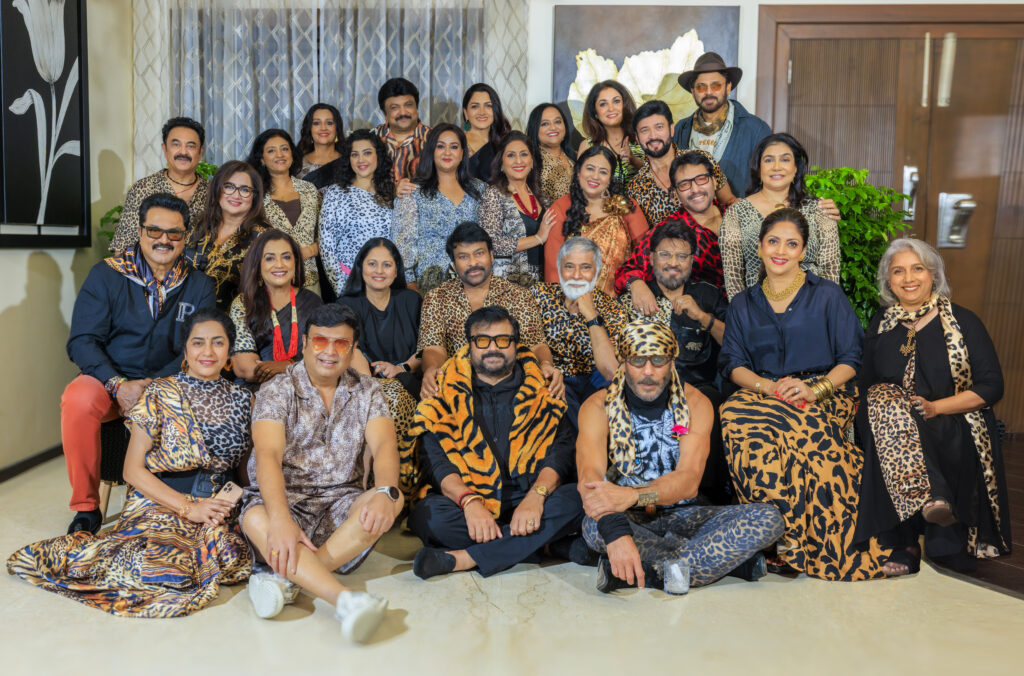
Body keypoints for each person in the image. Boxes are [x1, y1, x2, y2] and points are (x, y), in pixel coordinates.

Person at [8, 309, 253, 616]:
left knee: (233, 558)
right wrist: (189, 508)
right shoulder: (160, 393)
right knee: (158, 567)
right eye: (198, 342)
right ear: (185, 350)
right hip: (161, 502)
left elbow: (244, 470)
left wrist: (236, 504)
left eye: (218, 343)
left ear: (229, 352)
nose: (208, 351)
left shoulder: (244, 399)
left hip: (216, 505)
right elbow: (131, 470)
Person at [719, 208, 901, 580]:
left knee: (801, 429)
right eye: (773, 241)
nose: (780, 251)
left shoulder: (827, 295)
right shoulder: (742, 304)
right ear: (759, 246)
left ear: (803, 251)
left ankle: (801, 544)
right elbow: (733, 364)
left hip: (824, 392)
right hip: (762, 393)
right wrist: (769, 387)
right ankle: (777, 538)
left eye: (792, 244)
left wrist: (814, 389)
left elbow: (851, 359)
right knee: (735, 417)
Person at [576, 320, 784, 593]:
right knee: (593, 527)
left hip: (686, 514)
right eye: (637, 360)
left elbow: (688, 481)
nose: (648, 371)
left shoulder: (695, 402)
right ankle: (718, 564)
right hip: (629, 518)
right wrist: (616, 532)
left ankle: (648, 573)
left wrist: (633, 495)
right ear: (624, 362)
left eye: (658, 360)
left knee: (768, 519)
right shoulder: (596, 406)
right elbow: (589, 480)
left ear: (672, 361)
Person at [239, 303, 404, 643]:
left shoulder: (368, 390)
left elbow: (385, 445)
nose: (329, 351)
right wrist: (281, 519)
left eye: (341, 343)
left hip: (341, 504)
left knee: (391, 497)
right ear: (304, 343)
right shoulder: (276, 390)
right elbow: (268, 455)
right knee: (255, 518)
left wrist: (385, 490)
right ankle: (345, 600)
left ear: (353, 350)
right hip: (284, 501)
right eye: (320, 341)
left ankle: (288, 580)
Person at [60, 193, 216, 535]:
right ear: (141, 231)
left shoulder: (200, 285)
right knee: (78, 399)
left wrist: (152, 386)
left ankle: (169, 508)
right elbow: (82, 341)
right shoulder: (106, 275)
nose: (164, 240)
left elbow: (198, 347)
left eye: (174, 233)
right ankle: (86, 508)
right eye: (154, 231)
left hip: (169, 385)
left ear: (186, 236)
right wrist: (117, 384)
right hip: (108, 380)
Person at [854, 238, 1010, 574]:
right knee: (883, 402)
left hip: (951, 418)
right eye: (898, 271)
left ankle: (912, 543)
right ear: (888, 280)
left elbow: (991, 386)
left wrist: (937, 407)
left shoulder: (963, 321)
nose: (908, 278)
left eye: (918, 269)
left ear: (933, 275)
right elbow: (866, 383)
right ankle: (929, 503)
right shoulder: (882, 323)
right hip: (891, 422)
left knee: (906, 424)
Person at [408, 306, 586, 579]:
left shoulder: (544, 388)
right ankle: (545, 544)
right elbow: (436, 461)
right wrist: (469, 503)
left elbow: (560, 452)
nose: (493, 348)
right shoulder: (444, 391)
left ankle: (466, 558)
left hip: (529, 495)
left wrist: (536, 497)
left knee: (578, 498)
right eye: (482, 340)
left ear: (515, 345)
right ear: (470, 345)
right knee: (428, 516)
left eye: (503, 340)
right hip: (471, 499)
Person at [620, 222, 730, 504]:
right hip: (647, 391)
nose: (673, 263)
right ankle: (637, 495)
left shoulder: (708, 295)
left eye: (682, 256)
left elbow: (734, 343)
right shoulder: (636, 297)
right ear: (652, 258)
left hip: (698, 389)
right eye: (665, 255)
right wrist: (635, 284)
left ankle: (705, 497)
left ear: (692, 260)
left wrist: (703, 318)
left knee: (712, 402)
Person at [417, 222, 563, 401]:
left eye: (479, 253)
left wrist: (546, 364)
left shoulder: (518, 295)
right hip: (458, 389)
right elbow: (433, 347)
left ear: (492, 256)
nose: (473, 263)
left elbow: (537, 344)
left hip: (512, 388)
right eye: (463, 257)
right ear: (454, 264)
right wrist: (432, 370)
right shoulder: (437, 297)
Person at [336, 239, 423, 498]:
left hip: (409, 379)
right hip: (364, 384)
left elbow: (428, 346)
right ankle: (366, 487)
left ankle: (392, 489)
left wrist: (401, 367)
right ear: (360, 267)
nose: (379, 271)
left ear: (396, 271)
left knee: (393, 397)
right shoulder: (346, 304)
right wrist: (372, 387)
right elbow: (349, 349)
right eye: (372, 264)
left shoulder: (411, 300)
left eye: (387, 265)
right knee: (379, 401)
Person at [720, 133, 840, 300]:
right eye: (769, 160)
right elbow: (733, 277)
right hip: (756, 306)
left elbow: (830, 270)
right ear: (758, 168)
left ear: (796, 167)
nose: (776, 167)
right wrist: (744, 312)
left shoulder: (819, 210)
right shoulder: (736, 213)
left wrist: (821, 308)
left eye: (785, 159)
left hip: (811, 305)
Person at [532, 237, 628, 427]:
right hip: (554, 378)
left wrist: (592, 316)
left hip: (594, 382)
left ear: (597, 271)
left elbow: (611, 371)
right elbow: (532, 343)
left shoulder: (613, 309)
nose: (576, 275)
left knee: (612, 391)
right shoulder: (539, 294)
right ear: (559, 268)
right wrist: (548, 367)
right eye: (569, 267)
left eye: (585, 267)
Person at [616, 151, 727, 309]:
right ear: (675, 194)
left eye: (701, 179)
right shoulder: (669, 230)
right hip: (704, 313)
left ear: (715, 182)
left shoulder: (734, 213)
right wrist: (636, 284)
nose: (695, 189)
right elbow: (627, 270)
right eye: (684, 184)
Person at [392, 123, 484, 292]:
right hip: (429, 286)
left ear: (462, 153)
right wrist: (412, 288)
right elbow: (402, 246)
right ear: (431, 151)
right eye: (440, 146)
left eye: (454, 147)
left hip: (475, 283)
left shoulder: (479, 190)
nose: (447, 152)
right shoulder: (413, 192)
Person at [544, 146, 648, 295]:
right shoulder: (560, 208)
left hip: (621, 298)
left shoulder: (625, 206)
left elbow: (643, 256)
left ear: (610, 178)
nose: (595, 176)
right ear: (578, 172)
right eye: (590, 169)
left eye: (603, 172)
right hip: (574, 298)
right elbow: (554, 269)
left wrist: (636, 285)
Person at [230, 230, 323, 386]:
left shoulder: (313, 302)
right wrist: (297, 368)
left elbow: (323, 359)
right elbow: (246, 369)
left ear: (295, 262)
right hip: (257, 390)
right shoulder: (244, 303)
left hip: (307, 388)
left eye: (286, 257)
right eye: (269, 258)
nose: (279, 264)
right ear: (257, 264)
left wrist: (286, 366)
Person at [671, 52, 771, 198]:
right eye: (701, 87)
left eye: (716, 86)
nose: (708, 92)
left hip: (740, 212)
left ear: (728, 87)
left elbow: (770, 184)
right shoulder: (680, 129)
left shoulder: (756, 130)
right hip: (691, 212)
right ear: (693, 91)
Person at [626, 100, 732, 227]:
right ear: (637, 138)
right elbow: (644, 234)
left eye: (659, 127)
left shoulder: (701, 160)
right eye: (644, 130)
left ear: (671, 129)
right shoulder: (635, 187)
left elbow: (729, 201)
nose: (653, 136)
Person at [110, 117, 209, 252]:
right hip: (149, 266)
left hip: (201, 266)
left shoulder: (212, 192)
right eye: (176, 144)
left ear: (200, 152)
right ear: (164, 148)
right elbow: (123, 248)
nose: (183, 152)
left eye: (191, 146)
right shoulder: (143, 189)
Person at [319, 129, 396, 295]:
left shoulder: (391, 193)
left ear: (378, 156)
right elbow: (327, 248)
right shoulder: (336, 193)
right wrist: (343, 290)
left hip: (386, 284)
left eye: (367, 153)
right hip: (349, 284)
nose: (361, 160)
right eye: (354, 154)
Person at [185, 160, 269, 309]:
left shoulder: (264, 237)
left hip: (235, 319)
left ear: (254, 196)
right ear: (217, 189)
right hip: (185, 313)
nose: (236, 195)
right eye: (229, 187)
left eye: (245, 190)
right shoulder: (199, 225)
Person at [247, 129, 321, 294]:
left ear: (292, 154)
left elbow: (325, 236)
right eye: (271, 151)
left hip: (309, 280)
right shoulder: (254, 195)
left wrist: (308, 251)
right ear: (262, 159)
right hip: (270, 281)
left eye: (284, 149)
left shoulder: (310, 190)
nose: (279, 154)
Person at [477, 131, 557, 283]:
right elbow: (489, 244)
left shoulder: (543, 197)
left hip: (543, 283)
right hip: (508, 285)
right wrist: (538, 238)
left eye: (524, 154)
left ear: (532, 161)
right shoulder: (493, 195)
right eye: (511, 155)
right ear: (501, 163)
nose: (518, 160)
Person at [577, 80, 644, 184]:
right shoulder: (587, 146)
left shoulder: (642, 139)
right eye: (603, 104)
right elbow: (580, 186)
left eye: (616, 101)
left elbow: (659, 176)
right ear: (595, 113)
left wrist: (633, 160)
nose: (611, 108)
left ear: (624, 106)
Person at [373, 77, 431, 182]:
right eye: (394, 107)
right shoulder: (371, 138)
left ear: (416, 108)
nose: (403, 112)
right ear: (384, 113)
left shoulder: (434, 138)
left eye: (408, 105)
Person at [527, 103, 576, 207]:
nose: (553, 127)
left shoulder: (575, 157)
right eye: (545, 124)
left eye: (557, 122)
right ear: (535, 128)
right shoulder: (529, 162)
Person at [462, 83, 512, 182]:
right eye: (475, 106)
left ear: (495, 110)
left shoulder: (505, 144)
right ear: (465, 113)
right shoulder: (456, 144)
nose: (482, 112)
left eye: (488, 106)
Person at [296, 103, 344, 179]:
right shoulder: (296, 163)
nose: (323, 128)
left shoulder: (349, 162)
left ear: (337, 129)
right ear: (309, 129)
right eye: (316, 123)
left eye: (329, 123)